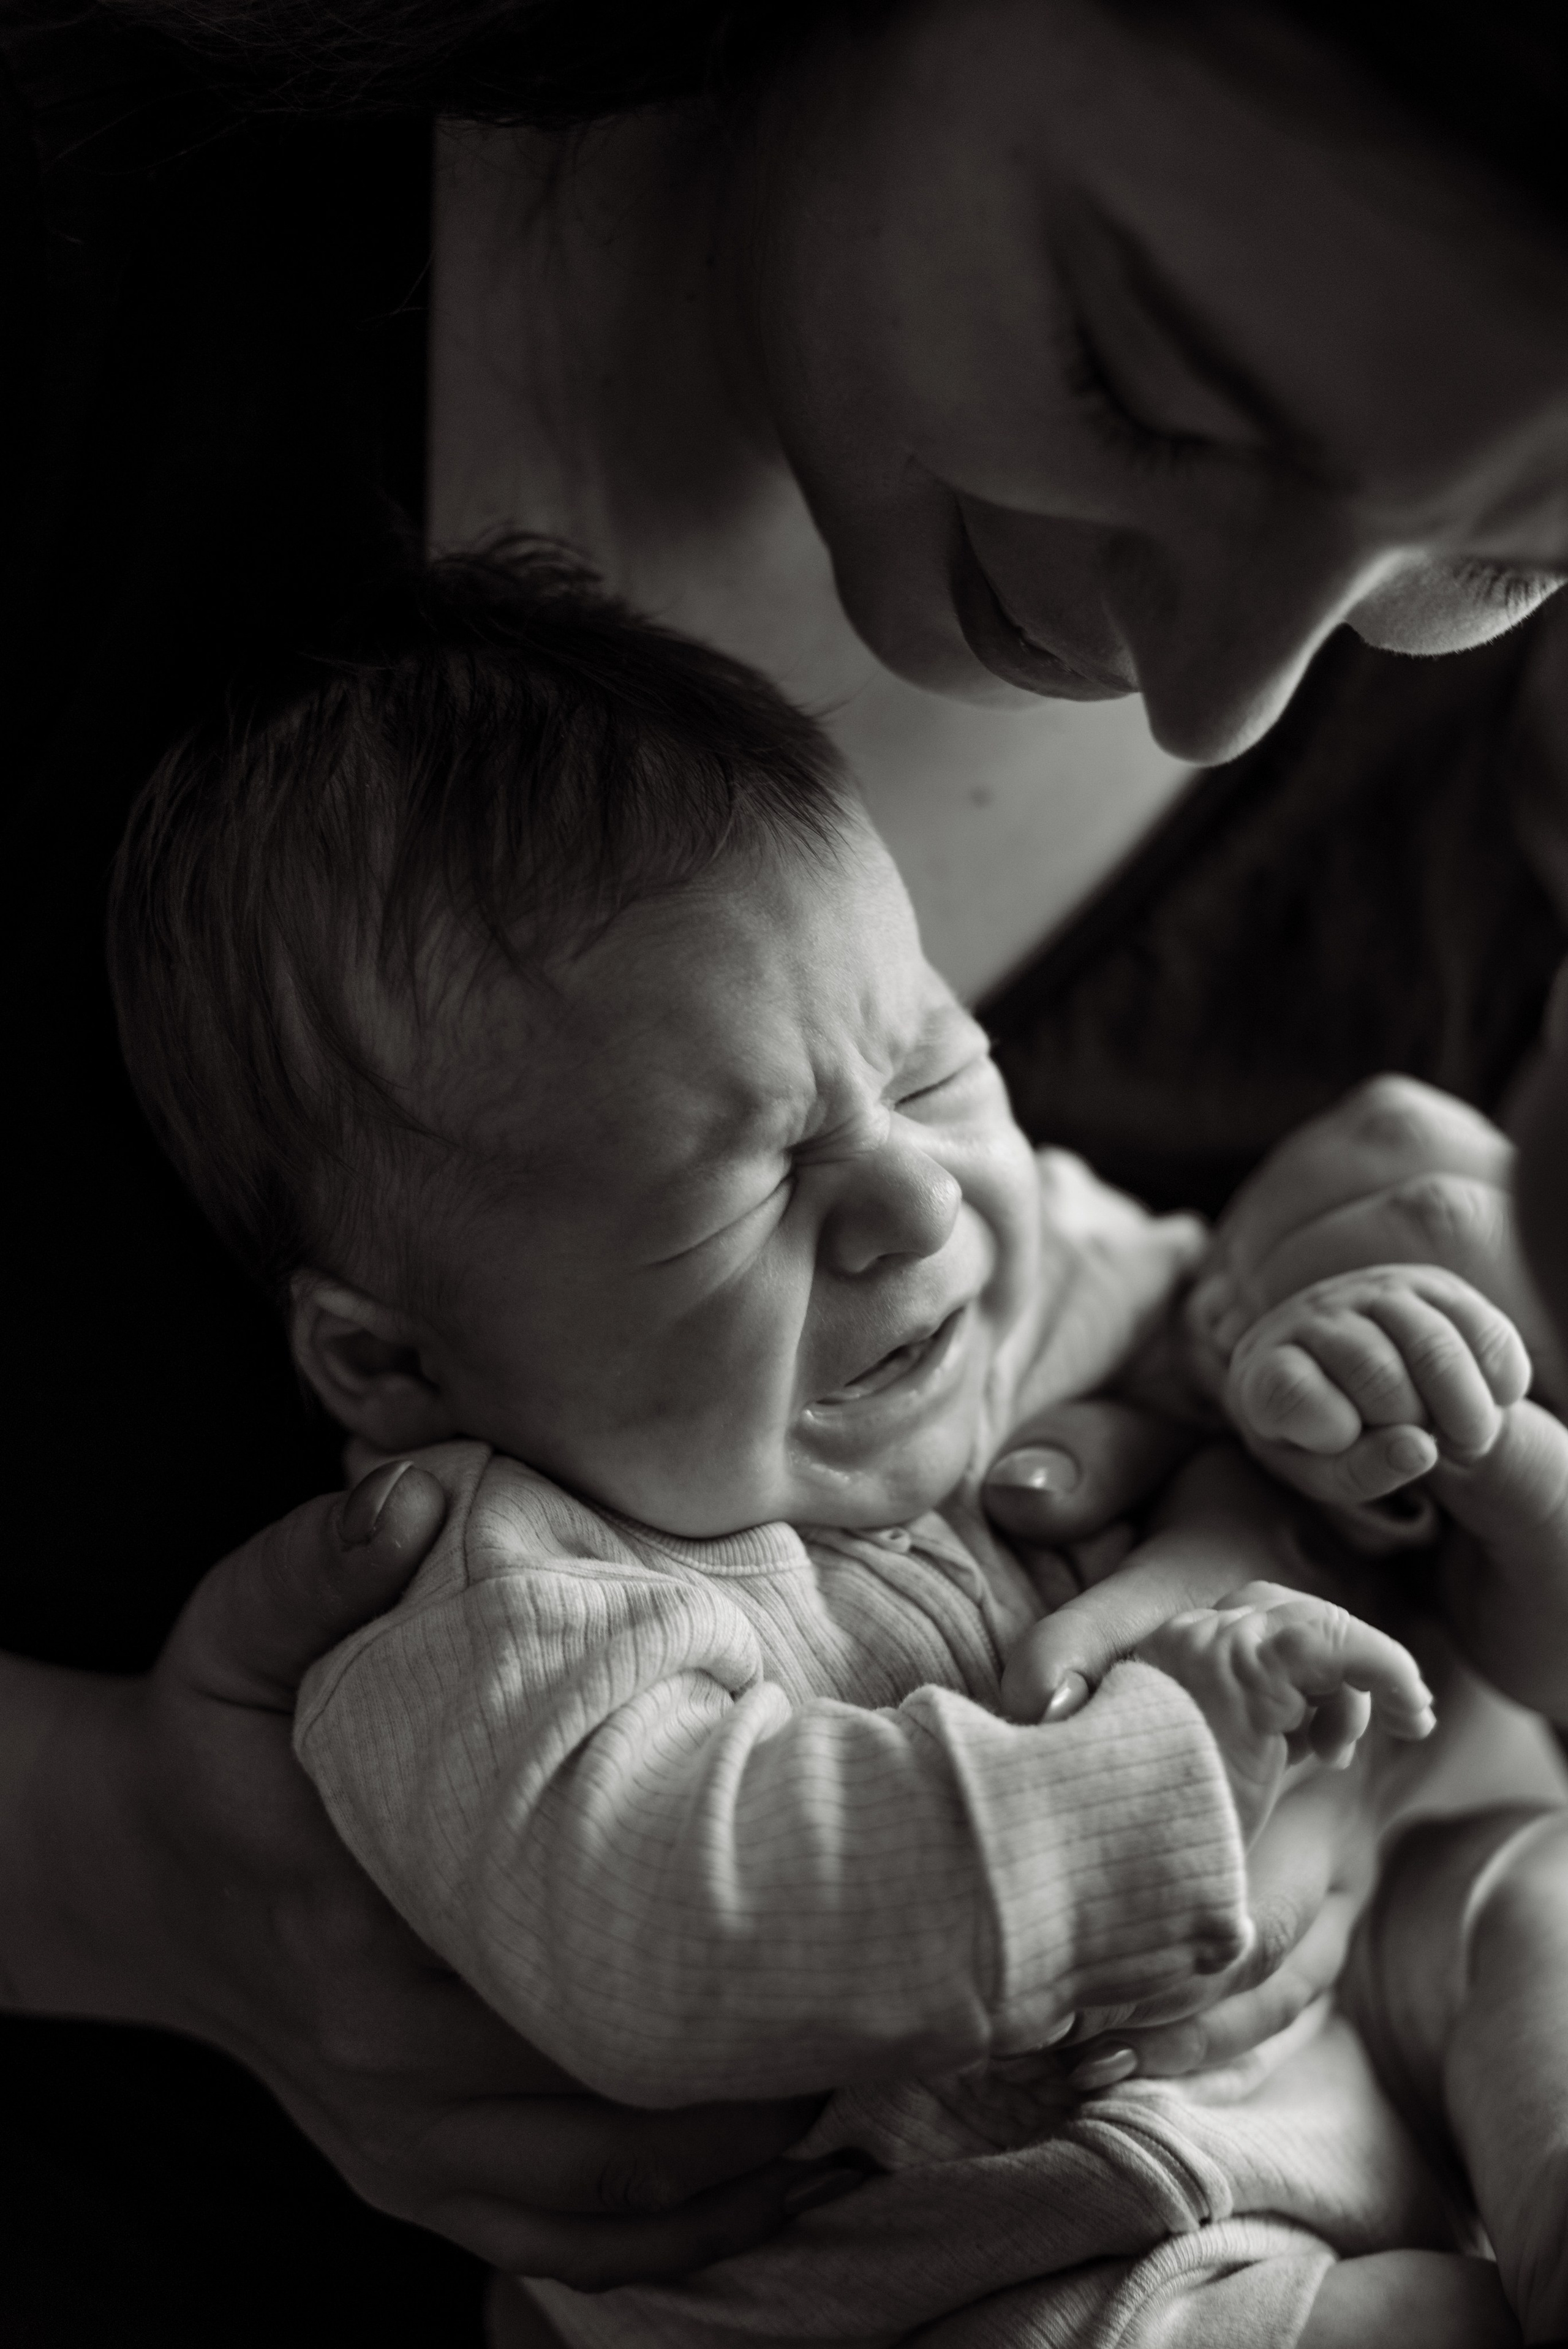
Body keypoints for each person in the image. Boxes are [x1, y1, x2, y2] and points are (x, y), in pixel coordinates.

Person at [7, 2, 1568, 2337]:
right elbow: (684, 1907)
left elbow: (1236, 1364)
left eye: (1507, 560)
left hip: (1328, 2074)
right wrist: (106, 1859)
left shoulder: (1031, 1220)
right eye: (1149, 380)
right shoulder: (514, 1603)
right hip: (969, 2261)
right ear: (390, 1360)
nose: (1226, 693)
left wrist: (1365, 1411)